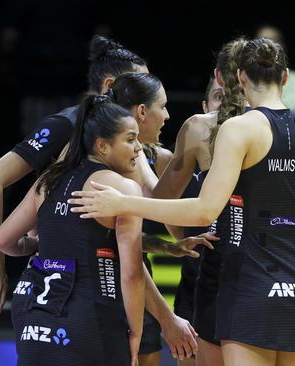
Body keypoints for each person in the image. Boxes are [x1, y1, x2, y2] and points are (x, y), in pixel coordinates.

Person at [68, 37, 295, 366]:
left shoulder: (237, 129)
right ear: (285, 77)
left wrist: (124, 203)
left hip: (251, 290)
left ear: (240, 78)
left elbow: (204, 210)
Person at [0, 35, 199, 361]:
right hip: (85, 291)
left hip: (92, 284)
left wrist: (170, 242)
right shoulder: (70, 126)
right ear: (111, 87)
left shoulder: (128, 147)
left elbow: (148, 210)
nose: (152, 104)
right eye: (139, 87)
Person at [0, 96, 145, 365]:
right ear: (102, 146)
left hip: (33, 315)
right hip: (89, 317)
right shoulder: (122, 188)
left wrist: (32, 246)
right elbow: (132, 274)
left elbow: (3, 240)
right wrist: (136, 332)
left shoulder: (49, 180)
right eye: (131, 139)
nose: (139, 148)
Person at [110, 72, 215, 366]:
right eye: (163, 106)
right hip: (104, 286)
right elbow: (124, 251)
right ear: (141, 112)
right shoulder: (112, 160)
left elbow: (156, 203)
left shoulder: (140, 153)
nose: (168, 115)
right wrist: (169, 319)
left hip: (132, 282)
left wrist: (172, 245)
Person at [155, 37, 248, 366]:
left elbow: (161, 199)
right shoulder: (291, 128)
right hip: (268, 266)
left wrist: (181, 241)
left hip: (216, 266)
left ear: (220, 76)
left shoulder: (198, 129)